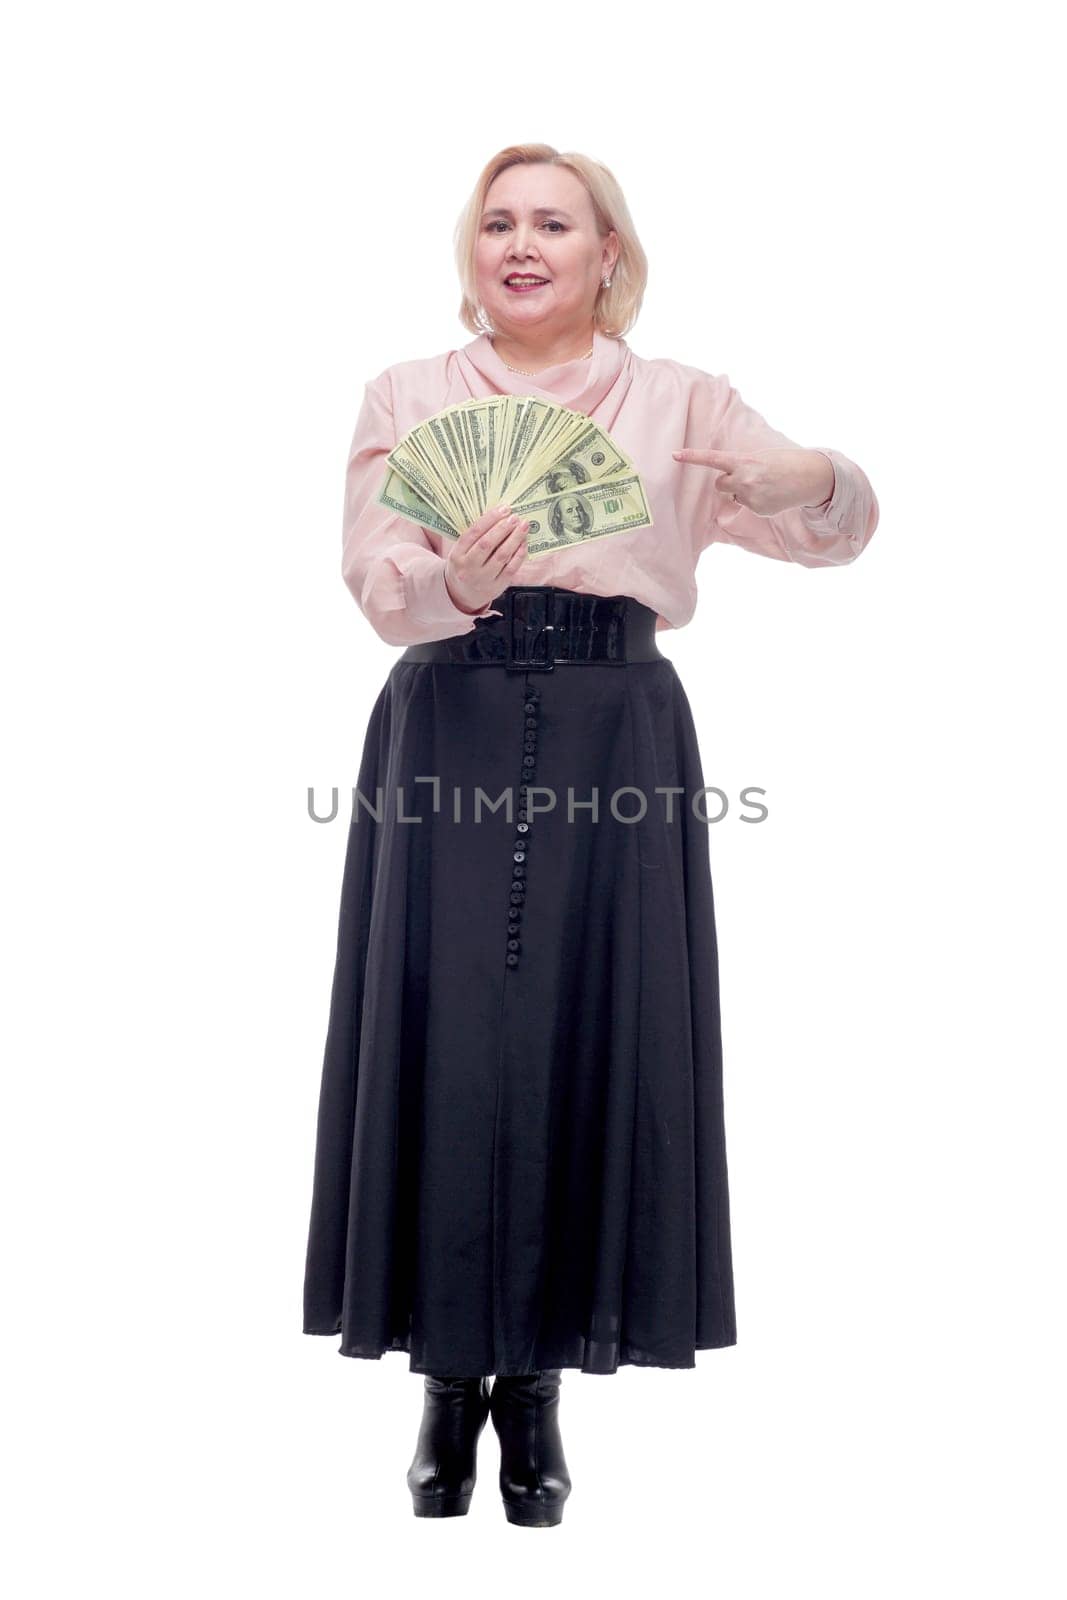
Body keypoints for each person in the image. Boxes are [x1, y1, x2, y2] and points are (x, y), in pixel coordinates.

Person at [302, 143, 880, 1528]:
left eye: (553, 222)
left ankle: (543, 1381)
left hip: (622, 718)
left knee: (586, 1029)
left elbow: (832, 532)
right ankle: (447, 1379)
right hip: (447, 709)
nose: (521, 242)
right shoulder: (408, 395)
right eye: (497, 221)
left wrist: (813, 472)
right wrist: (452, 576)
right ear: (472, 251)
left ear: (606, 253)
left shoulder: (680, 400)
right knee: (445, 1033)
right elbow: (378, 586)